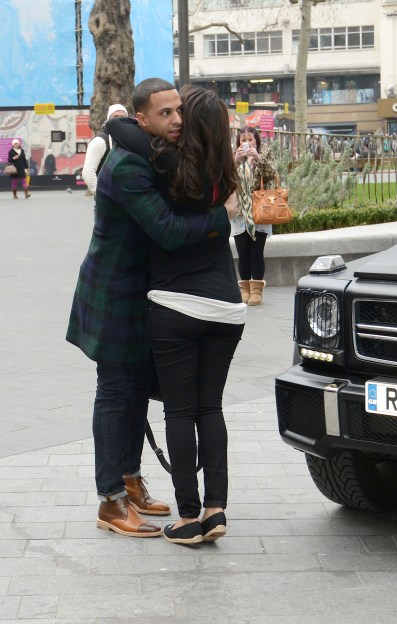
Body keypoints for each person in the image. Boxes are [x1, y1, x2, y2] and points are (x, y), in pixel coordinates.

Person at [66, 78, 237, 539]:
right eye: (165, 114)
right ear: (143, 119)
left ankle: (130, 479)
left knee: (136, 388)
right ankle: (111, 500)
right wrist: (225, 217)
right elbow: (166, 230)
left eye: (179, 110)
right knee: (116, 391)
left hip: (142, 292)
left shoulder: (149, 153)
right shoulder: (127, 168)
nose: (177, 120)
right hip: (115, 293)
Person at [231, 126, 277, 306]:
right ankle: (245, 290)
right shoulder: (233, 158)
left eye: (250, 139)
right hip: (240, 212)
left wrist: (257, 158)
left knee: (257, 252)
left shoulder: (264, 155)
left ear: (256, 141)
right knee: (243, 253)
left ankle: (257, 291)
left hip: (260, 211)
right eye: (243, 140)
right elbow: (224, 179)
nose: (247, 143)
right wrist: (235, 161)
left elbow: (272, 174)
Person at [81, 103, 129, 195]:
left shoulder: (130, 140)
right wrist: (101, 195)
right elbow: (88, 172)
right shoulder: (100, 141)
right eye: (115, 116)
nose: (119, 119)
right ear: (108, 119)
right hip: (108, 201)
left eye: (123, 117)